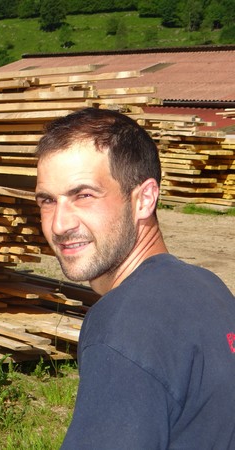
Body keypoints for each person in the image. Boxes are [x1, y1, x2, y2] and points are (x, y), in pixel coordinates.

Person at [34, 107, 235, 449]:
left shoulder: (124, 326)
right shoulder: (211, 288)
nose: (59, 224)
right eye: (48, 201)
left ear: (144, 198)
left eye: (84, 195)